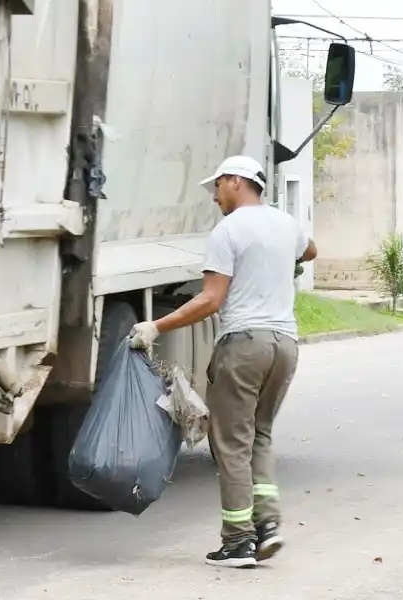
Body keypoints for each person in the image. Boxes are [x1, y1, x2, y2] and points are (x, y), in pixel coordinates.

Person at [129, 154, 315, 569]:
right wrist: (276, 260)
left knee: (231, 443)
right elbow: (311, 250)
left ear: (236, 181)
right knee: (259, 434)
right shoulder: (286, 223)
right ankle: (268, 525)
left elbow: (211, 299)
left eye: (217, 186)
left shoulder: (228, 230)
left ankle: (238, 541)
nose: (214, 196)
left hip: (244, 344)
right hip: (285, 345)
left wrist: (156, 326)